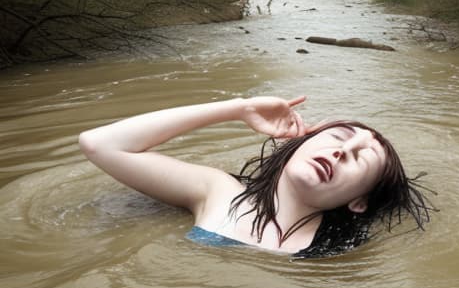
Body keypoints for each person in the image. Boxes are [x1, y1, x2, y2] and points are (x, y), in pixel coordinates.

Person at [79, 95, 432, 259]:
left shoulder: (339, 251)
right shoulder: (219, 192)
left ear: (359, 202)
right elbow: (100, 145)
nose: (341, 152)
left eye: (359, 158)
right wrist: (238, 108)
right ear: (300, 144)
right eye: (338, 140)